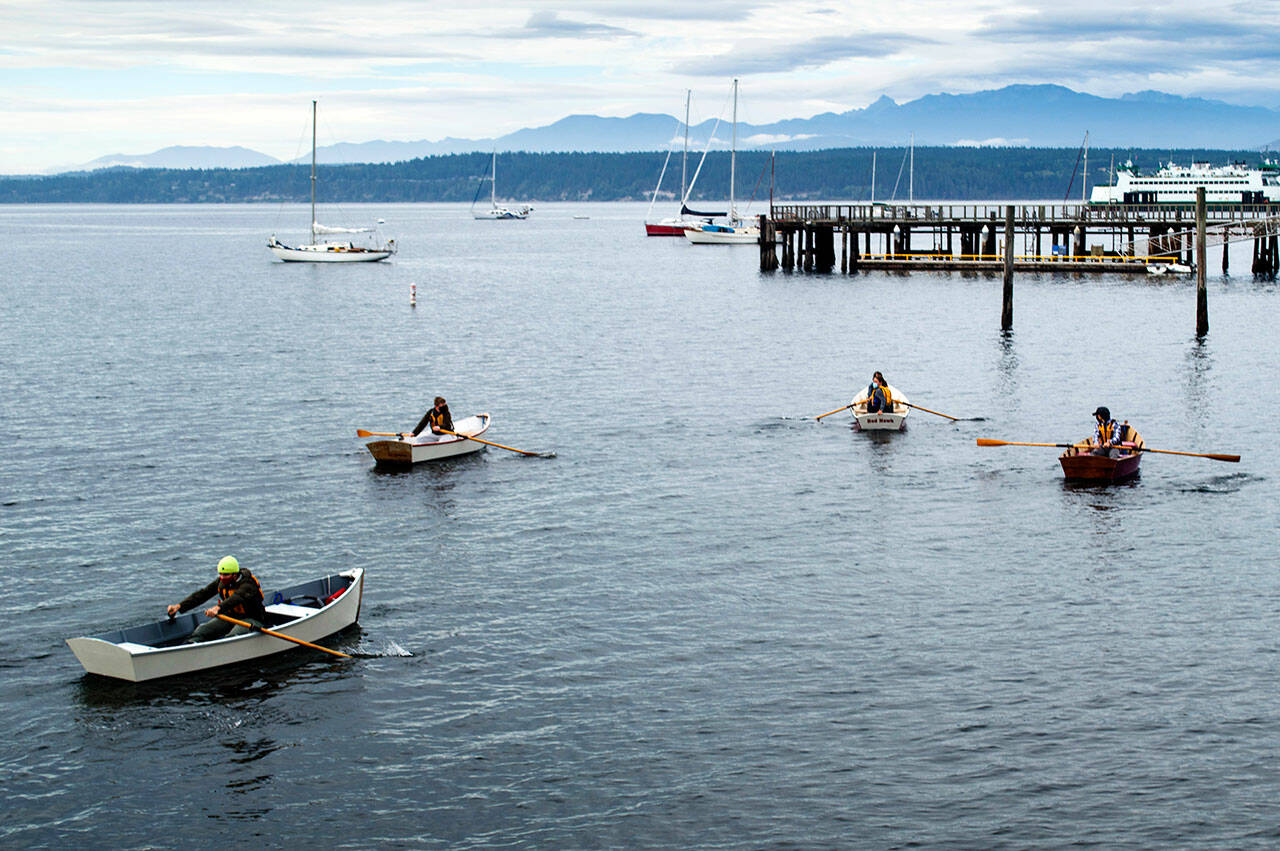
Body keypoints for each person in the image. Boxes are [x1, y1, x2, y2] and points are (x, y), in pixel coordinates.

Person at [166, 556, 266, 644]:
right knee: (201, 631)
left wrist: (218, 608)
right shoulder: (221, 582)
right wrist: (179, 606)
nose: (222, 577)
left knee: (233, 638)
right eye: (221, 574)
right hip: (230, 617)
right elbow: (203, 594)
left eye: (226, 575)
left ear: (235, 575)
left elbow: (236, 598)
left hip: (253, 619)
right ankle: (190, 646)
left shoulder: (248, 584)